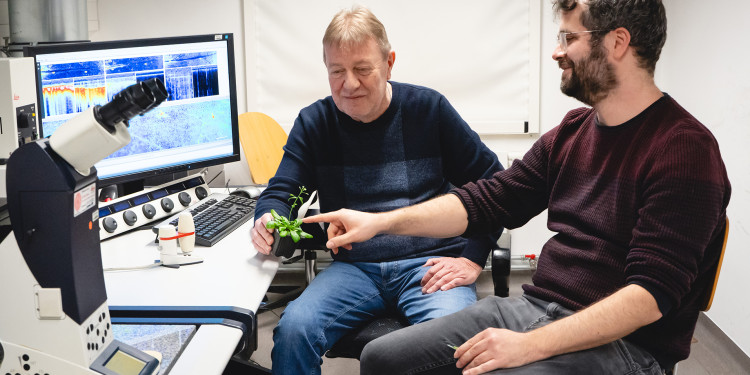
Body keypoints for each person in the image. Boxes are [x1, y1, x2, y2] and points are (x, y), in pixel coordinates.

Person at [304, 1, 731, 374]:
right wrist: (379, 223)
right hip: (537, 310)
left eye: (569, 36)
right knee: (382, 358)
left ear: (618, 42)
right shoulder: (573, 132)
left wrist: (527, 346)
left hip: (628, 348)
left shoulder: (684, 150)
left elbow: (649, 298)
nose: (557, 50)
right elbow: (487, 201)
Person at [250, 6, 504, 374]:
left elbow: (496, 185)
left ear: (389, 63)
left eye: (362, 69)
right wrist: (270, 219)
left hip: (430, 266)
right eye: (337, 71)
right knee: (293, 329)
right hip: (356, 269)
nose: (349, 84)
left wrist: (473, 256)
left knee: (456, 344)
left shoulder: (427, 109)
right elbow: (283, 192)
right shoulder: (315, 122)